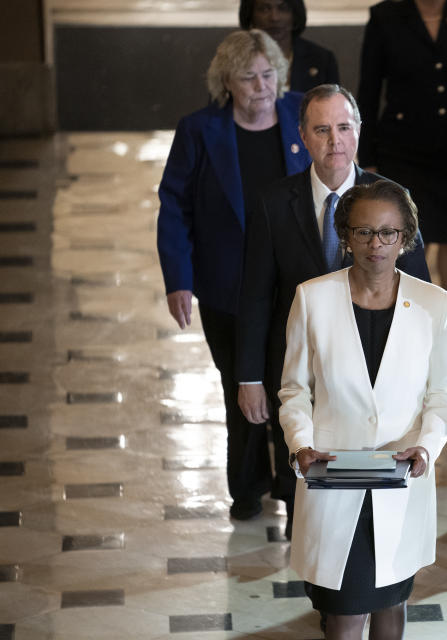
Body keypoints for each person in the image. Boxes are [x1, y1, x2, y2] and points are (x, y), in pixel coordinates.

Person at [235, 84, 430, 540]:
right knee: (304, 483)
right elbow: (257, 294)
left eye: (344, 128)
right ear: (301, 135)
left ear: (359, 132)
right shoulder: (273, 202)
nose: (334, 141)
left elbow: (419, 294)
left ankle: (352, 579)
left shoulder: (393, 198)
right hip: (300, 370)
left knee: (365, 495)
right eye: (321, 130)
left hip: (373, 372)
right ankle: (318, 572)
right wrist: (248, 377)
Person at [278, 180, 447, 640]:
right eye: (363, 233)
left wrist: (426, 446)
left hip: (399, 480)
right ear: (345, 235)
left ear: (406, 237)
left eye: (388, 233)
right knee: (343, 614)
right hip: (332, 478)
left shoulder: (435, 305)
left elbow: (443, 394)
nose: (375, 245)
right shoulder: (312, 298)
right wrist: (301, 444)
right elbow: (295, 389)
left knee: (390, 606)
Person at [157, 29, 311, 522]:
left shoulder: (302, 115)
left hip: (292, 284)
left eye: (269, 75)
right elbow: (174, 206)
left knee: (291, 383)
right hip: (227, 287)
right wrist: (178, 278)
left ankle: (293, 484)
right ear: (227, 81)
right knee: (238, 384)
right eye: (249, 77)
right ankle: (247, 486)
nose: (262, 87)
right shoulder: (200, 130)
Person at [357, 0, 447, 285]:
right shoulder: (385, 16)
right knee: (405, 241)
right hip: (403, 151)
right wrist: (366, 156)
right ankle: (409, 316)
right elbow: (367, 91)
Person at [239, 0, 339, 92]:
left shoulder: (322, 60)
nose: (274, 17)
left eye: (283, 8)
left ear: (295, 14)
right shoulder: (235, 60)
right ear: (250, 15)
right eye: (264, 9)